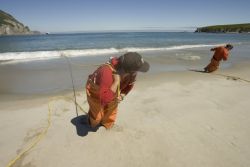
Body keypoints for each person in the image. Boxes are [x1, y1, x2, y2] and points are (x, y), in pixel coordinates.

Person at [85, 52, 150, 129]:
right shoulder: (106, 72)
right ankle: (91, 123)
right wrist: (116, 82)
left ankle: (107, 124)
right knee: (96, 115)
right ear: (126, 71)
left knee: (111, 112)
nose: (136, 72)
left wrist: (122, 94)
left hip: (113, 91)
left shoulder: (131, 72)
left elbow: (130, 85)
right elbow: (104, 99)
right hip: (97, 91)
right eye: (136, 70)